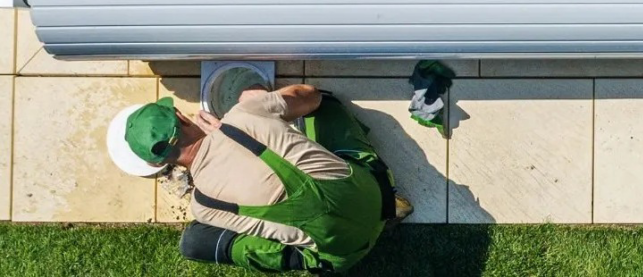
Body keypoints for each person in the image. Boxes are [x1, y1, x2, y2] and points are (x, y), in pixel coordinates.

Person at [106, 83, 413, 273]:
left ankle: (308, 257)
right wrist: (255, 104)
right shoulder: (243, 114)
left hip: (345, 253)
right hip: (375, 192)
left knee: (195, 241)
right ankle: (391, 207)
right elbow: (310, 96)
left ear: (158, 164)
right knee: (327, 105)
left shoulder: (203, 207)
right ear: (183, 117)